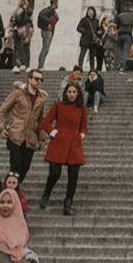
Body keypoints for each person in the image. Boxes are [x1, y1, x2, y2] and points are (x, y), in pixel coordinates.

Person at [39, 80, 87, 214]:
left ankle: (68, 203)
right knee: (54, 173)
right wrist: (53, 132)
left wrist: (82, 135)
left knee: (73, 176)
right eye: (69, 92)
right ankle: (46, 193)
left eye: (74, 92)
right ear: (65, 93)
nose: (71, 94)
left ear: (78, 94)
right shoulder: (58, 106)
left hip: (74, 146)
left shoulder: (82, 109)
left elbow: (84, 127)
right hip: (59, 143)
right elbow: (46, 122)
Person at [0, 71, 47, 181]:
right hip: (15, 133)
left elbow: (40, 119)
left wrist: (41, 138)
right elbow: (3, 110)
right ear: (29, 79)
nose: (38, 82)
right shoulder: (18, 93)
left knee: (25, 167)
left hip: (30, 136)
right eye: (36, 79)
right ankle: (8, 191)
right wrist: (1, 127)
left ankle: (13, 191)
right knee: (15, 167)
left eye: (40, 80)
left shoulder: (41, 98)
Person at [10, 0, 34, 70]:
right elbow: (28, 20)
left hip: (17, 30)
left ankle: (16, 65)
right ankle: (25, 65)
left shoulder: (16, 10)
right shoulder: (26, 11)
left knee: (17, 48)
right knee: (26, 48)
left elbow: (12, 21)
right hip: (24, 30)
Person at [36, 0, 59, 69]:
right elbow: (41, 16)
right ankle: (40, 66)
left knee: (46, 49)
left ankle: (41, 65)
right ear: (54, 3)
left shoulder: (53, 11)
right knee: (45, 49)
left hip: (50, 32)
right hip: (47, 31)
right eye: (57, 3)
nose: (58, 4)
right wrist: (49, 22)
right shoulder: (49, 10)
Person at [77, 6, 102, 71]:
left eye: (91, 11)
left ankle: (92, 68)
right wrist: (85, 31)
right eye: (89, 11)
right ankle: (80, 67)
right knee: (82, 54)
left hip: (92, 41)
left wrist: (99, 32)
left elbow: (98, 29)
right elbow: (78, 28)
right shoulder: (84, 19)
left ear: (94, 12)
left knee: (92, 55)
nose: (90, 12)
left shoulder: (96, 21)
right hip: (85, 39)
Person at [115, 3, 133, 70]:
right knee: (125, 51)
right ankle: (122, 66)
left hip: (120, 34)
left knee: (119, 50)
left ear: (125, 8)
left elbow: (116, 25)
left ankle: (117, 64)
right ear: (131, 8)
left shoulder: (120, 16)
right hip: (128, 35)